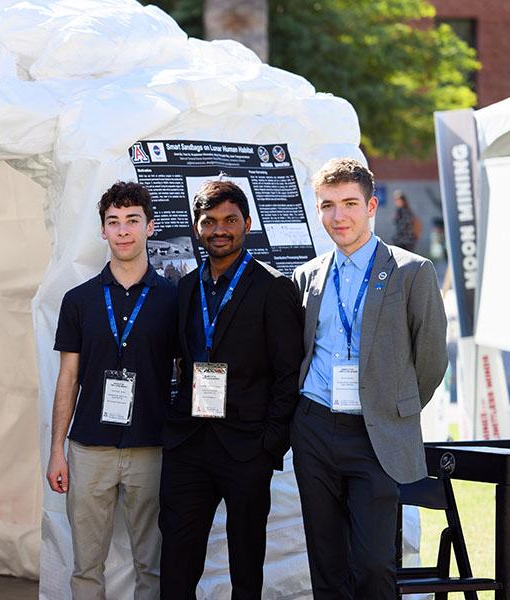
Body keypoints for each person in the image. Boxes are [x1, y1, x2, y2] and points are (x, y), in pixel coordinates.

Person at [292, 158, 447, 599]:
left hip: (377, 434)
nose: (338, 217)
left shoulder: (410, 271)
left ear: (371, 205)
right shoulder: (308, 276)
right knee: (326, 562)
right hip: (315, 428)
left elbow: (432, 359)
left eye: (348, 204)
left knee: (374, 563)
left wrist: (395, 407)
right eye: (327, 205)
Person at [159, 179, 303, 599]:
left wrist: (269, 445)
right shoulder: (186, 287)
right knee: (177, 558)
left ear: (247, 223)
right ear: (197, 226)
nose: (219, 229)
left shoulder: (272, 286)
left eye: (229, 220)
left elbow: (288, 374)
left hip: (246, 448)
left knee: (245, 562)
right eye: (210, 221)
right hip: (189, 444)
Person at [46, 181, 177, 599]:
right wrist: (56, 450)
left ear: (150, 227)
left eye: (132, 221)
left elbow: (186, 374)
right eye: (113, 222)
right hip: (89, 450)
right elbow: (68, 378)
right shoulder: (79, 300)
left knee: (152, 568)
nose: (123, 231)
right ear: (102, 230)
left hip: (152, 449)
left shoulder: (174, 300)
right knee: (86, 568)